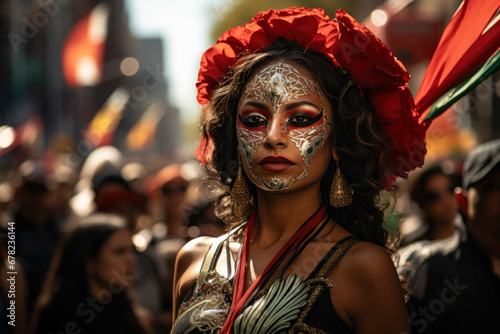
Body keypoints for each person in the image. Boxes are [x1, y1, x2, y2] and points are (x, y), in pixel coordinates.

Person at [171, 7, 425, 334]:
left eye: (301, 119)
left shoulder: (364, 269)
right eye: (254, 120)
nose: (273, 136)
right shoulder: (193, 260)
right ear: (234, 139)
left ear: (338, 141)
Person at [398, 139, 500, 333]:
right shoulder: (418, 267)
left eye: (448, 188)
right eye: (493, 186)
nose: (445, 201)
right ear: (462, 199)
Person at [30, 213, 149, 334]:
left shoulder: (124, 310)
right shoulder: (58, 316)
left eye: (131, 250)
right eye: (119, 251)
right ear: (90, 262)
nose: (132, 260)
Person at [399, 162, 463, 245]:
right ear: (422, 204)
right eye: (434, 196)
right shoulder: (415, 249)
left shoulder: (478, 239)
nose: (446, 200)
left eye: (451, 189)